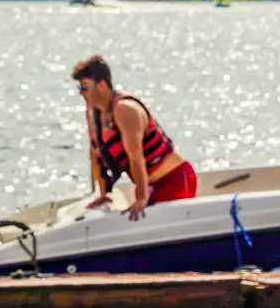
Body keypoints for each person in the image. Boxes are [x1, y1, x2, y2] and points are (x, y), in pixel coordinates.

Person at [72, 54, 197, 221]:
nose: (81, 93)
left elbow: (135, 155)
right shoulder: (93, 113)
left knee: (146, 225)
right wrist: (104, 193)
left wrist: (141, 198)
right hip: (150, 185)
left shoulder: (125, 109)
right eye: (79, 87)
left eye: (85, 87)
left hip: (175, 180)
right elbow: (95, 152)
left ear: (101, 85)